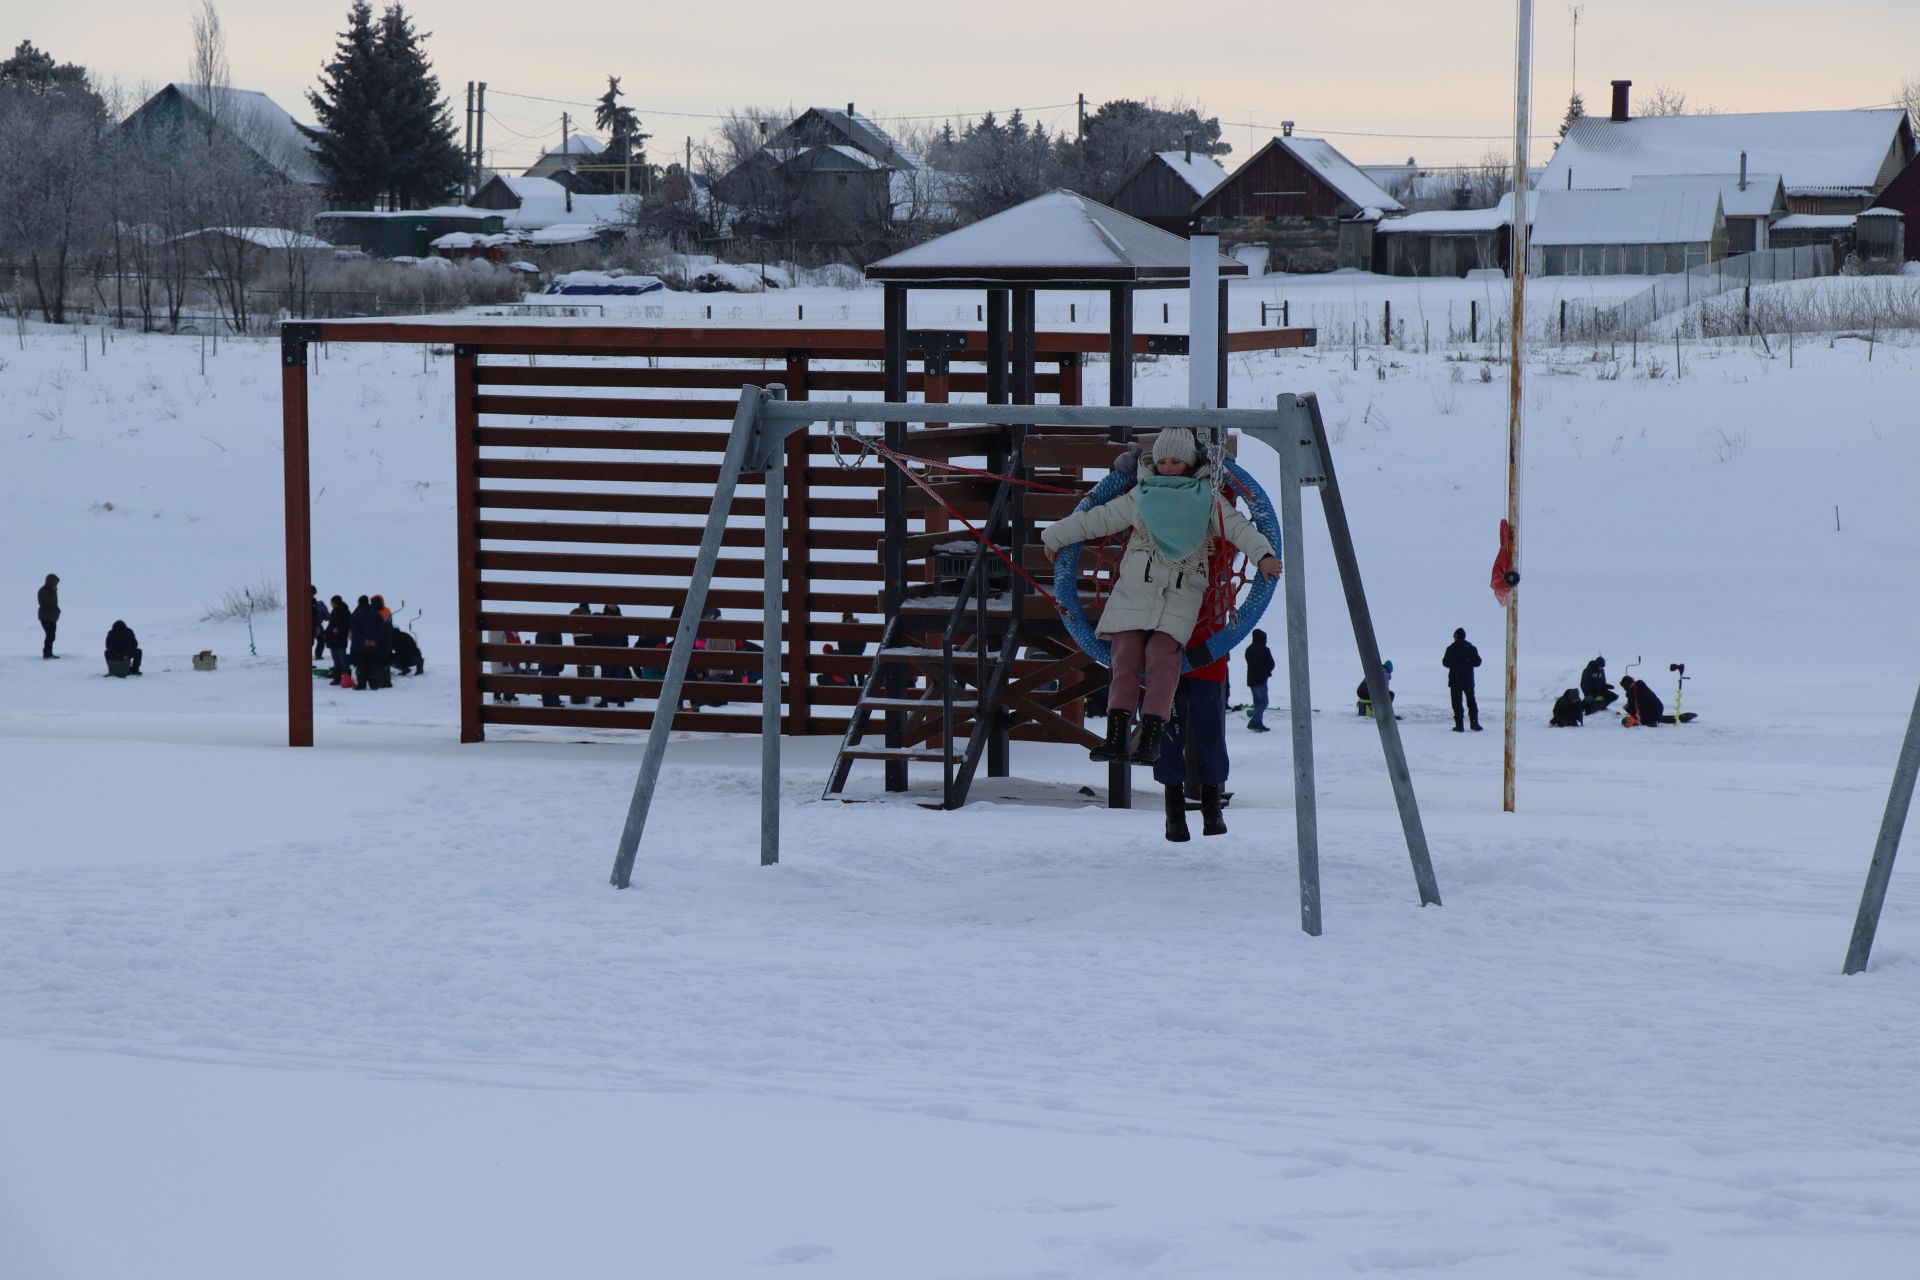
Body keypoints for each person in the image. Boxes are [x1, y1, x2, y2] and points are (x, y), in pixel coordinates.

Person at [1042, 427, 1280, 767]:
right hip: (1134, 590)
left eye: (1176, 462)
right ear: (1155, 463)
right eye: (1164, 461)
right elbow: (1097, 519)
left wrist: (1264, 556)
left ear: (1190, 464)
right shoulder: (1142, 495)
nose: (1169, 467)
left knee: (1162, 657)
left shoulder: (1207, 500)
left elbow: (1240, 527)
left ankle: (1151, 736)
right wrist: (1054, 536)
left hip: (1180, 592)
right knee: (1124, 657)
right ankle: (1115, 735)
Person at [1155, 534, 1242, 841]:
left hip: (1200, 652)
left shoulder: (1215, 547)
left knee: (1205, 732)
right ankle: (1176, 811)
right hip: (1175, 650)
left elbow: (1224, 504)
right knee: (1170, 731)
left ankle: (1208, 807)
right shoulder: (1160, 542)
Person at [1442, 627, 1483, 732]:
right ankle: (1474, 724)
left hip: (1455, 680)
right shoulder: (1471, 648)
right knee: (1471, 701)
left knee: (1456, 703)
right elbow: (1478, 662)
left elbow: (1445, 663)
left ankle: (1459, 725)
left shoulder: (1451, 648)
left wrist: (1455, 664)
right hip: (1468, 680)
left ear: (1456, 637)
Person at [595, 604, 632, 708]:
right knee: (615, 678)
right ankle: (615, 701)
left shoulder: (606, 619)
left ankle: (609, 701)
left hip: (612, 653)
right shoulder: (619, 619)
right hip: (613, 653)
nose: (613, 606)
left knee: (611, 679)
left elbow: (599, 637)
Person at [1243, 629, 1274, 733]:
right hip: (1261, 680)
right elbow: (1271, 664)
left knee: (1257, 703)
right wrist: (1266, 671)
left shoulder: (1249, 649)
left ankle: (1258, 724)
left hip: (1251, 679)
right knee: (1264, 702)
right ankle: (1254, 722)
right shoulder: (1265, 650)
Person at [348, 595, 380, 691]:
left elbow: (354, 630)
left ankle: (362, 684)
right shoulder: (375, 613)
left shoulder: (356, 614)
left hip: (360, 646)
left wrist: (364, 640)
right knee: (372, 665)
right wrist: (373, 639)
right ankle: (373, 684)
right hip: (373, 646)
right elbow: (380, 628)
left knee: (361, 665)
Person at [568, 603, 596, 704]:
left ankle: (580, 694)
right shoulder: (591, 619)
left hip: (578, 649)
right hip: (589, 649)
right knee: (588, 674)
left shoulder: (573, 617)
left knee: (580, 672)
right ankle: (585, 696)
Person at [322, 594, 351, 684]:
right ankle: (337, 678)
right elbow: (331, 625)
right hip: (332, 639)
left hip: (340, 639)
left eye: (332, 603)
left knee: (343, 659)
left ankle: (347, 678)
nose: (331, 604)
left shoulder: (345, 612)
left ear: (336, 603)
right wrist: (325, 633)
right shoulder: (334, 611)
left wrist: (339, 629)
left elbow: (348, 624)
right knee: (336, 660)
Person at [535, 625, 564, 706]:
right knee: (553, 685)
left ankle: (547, 703)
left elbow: (537, 648)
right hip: (553, 663)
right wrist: (560, 664)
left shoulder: (539, 633)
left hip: (543, 663)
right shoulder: (556, 632)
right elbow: (559, 649)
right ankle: (554, 705)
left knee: (545, 685)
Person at [37, 573, 60, 659]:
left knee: (51, 635)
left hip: (51, 617)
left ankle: (49, 652)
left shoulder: (51, 591)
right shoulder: (44, 590)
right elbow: (45, 602)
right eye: (55, 583)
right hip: (46, 617)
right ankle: (47, 653)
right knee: (50, 635)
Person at [310, 587, 329, 661]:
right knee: (309, 642)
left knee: (322, 638)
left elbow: (326, 616)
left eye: (312, 594)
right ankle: (306, 658)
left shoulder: (319, 604)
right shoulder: (303, 604)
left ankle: (318, 655)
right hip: (307, 626)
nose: (311, 595)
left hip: (317, 625)